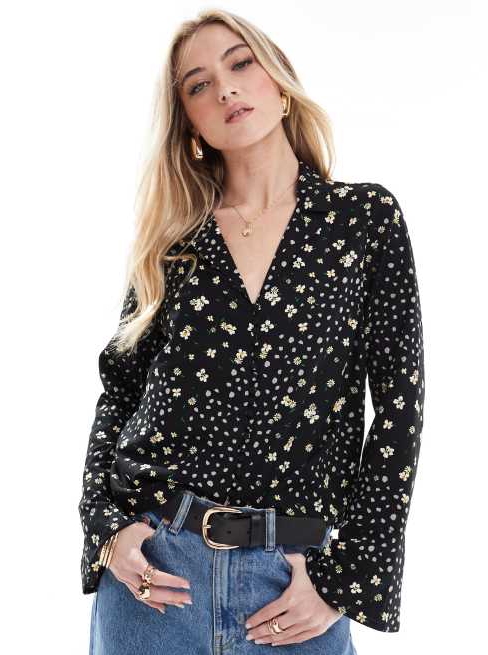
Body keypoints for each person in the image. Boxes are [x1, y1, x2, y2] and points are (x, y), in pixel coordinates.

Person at [78, 8, 424, 654]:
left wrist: (343, 582)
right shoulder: (174, 244)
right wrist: (107, 529)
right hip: (156, 579)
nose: (226, 89)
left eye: (240, 63)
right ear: (190, 124)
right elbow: (119, 390)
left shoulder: (362, 221)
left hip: (293, 586)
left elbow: (399, 411)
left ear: (280, 81)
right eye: (199, 85)